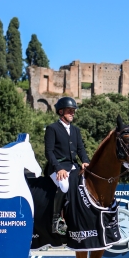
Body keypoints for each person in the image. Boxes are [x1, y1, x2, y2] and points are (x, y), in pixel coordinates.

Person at [44, 97, 90, 234]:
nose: (72, 113)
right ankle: (56, 220)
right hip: (56, 167)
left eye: (73, 111)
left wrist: (85, 161)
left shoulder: (76, 130)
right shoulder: (52, 128)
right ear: (61, 111)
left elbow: (81, 149)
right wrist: (58, 168)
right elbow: (49, 152)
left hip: (73, 166)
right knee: (64, 186)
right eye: (69, 111)